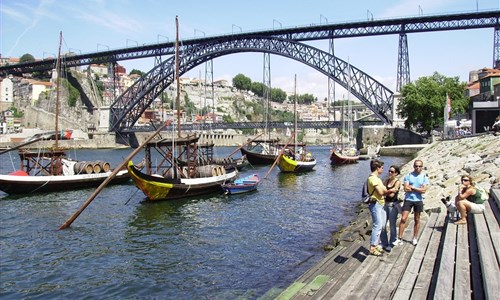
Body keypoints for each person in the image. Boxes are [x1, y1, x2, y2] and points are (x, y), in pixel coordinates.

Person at [396, 159, 429, 246]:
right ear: (413, 166)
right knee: (403, 218)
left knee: (417, 219)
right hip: (408, 199)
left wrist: (413, 188)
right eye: (416, 166)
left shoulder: (424, 177)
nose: (418, 168)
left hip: (418, 200)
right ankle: (399, 237)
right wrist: (418, 189)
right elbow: (406, 188)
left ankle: (415, 237)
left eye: (419, 166)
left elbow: (424, 190)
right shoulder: (408, 176)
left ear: (422, 167)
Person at [367, 159, 389, 256]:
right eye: (382, 168)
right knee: (377, 225)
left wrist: (386, 191)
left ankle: (377, 244)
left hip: (381, 203)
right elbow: (381, 192)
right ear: (377, 168)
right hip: (375, 204)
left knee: (382, 225)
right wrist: (391, 190)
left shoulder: (378, 179)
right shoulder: (373, 179)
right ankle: (373, 247)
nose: (383, 170)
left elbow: (384, 190)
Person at [380, 165, 401, 251]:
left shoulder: (397, 182)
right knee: (382, 225)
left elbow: (392, 194)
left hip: (393, 205)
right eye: (389, 171)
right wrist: (388, 191)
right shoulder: (387, 181)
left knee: (392, 225)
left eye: (392, 172)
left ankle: (392, 242)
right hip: (385, 204)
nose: (389, 173)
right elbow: (382, 192)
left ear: (396, 173)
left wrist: (386, 192)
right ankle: (384, 243)